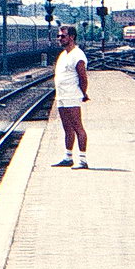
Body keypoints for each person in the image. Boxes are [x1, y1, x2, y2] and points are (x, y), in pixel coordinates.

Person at [52, 24, 89, 168]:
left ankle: (83, 159)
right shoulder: (63, 55)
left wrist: (83, 93)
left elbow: (83, 78)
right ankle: (68, 157)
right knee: (67, 128)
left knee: (78, 127)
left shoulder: (78, 55)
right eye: (58, 36)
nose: (59, 39)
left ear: (71, 37)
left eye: (63, 36)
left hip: (72, 95)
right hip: (61, 96)